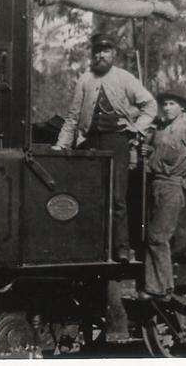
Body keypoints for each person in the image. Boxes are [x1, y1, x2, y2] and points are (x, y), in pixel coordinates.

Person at [53, 32, 157, 263]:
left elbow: (150, 105)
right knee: (89, 195)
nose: (101, 55)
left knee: (117, 196)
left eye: (106, 51)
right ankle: (89, 245)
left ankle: (121, 248)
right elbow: (72, 117)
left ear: (113, 54)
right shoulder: (85, 80)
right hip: (90, 142)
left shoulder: (124, 78)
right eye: (97, 51)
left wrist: (137, 128)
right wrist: (60, 146)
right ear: (92, 54)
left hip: (117, 142)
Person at [140, 91, 186, 300]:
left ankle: (161, 289)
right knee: (154, 237)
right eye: (165, 104)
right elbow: (153, 152)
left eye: (172, 103)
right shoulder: (161, 129)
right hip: (156, 185)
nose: (167, 107)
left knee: (158, 236)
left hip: (172, 187)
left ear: (182, 108)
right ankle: (157, 286)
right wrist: (147, 150)